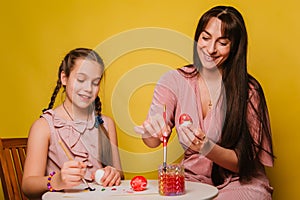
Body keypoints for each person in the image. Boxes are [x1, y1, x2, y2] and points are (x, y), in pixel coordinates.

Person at [135, 6, 275, 199]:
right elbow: (151, 140)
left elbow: (245, 164)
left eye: (222, 42)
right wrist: (151, 130)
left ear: (234, 47)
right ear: (197, 38)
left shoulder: (249, 91)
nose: (210, 49)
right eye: (205, 38)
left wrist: (206, 147)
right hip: (194, 180)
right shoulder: (173, 81)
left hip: (240, 182)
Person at [22, 48, 124, 198]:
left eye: (95, 82)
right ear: (64, 78)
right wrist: (56, 180)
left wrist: (113, 174)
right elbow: (27, 185)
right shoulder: (44, 126)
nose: (88, 89)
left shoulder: (105, 124)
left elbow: (120, 175)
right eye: (81, 80)